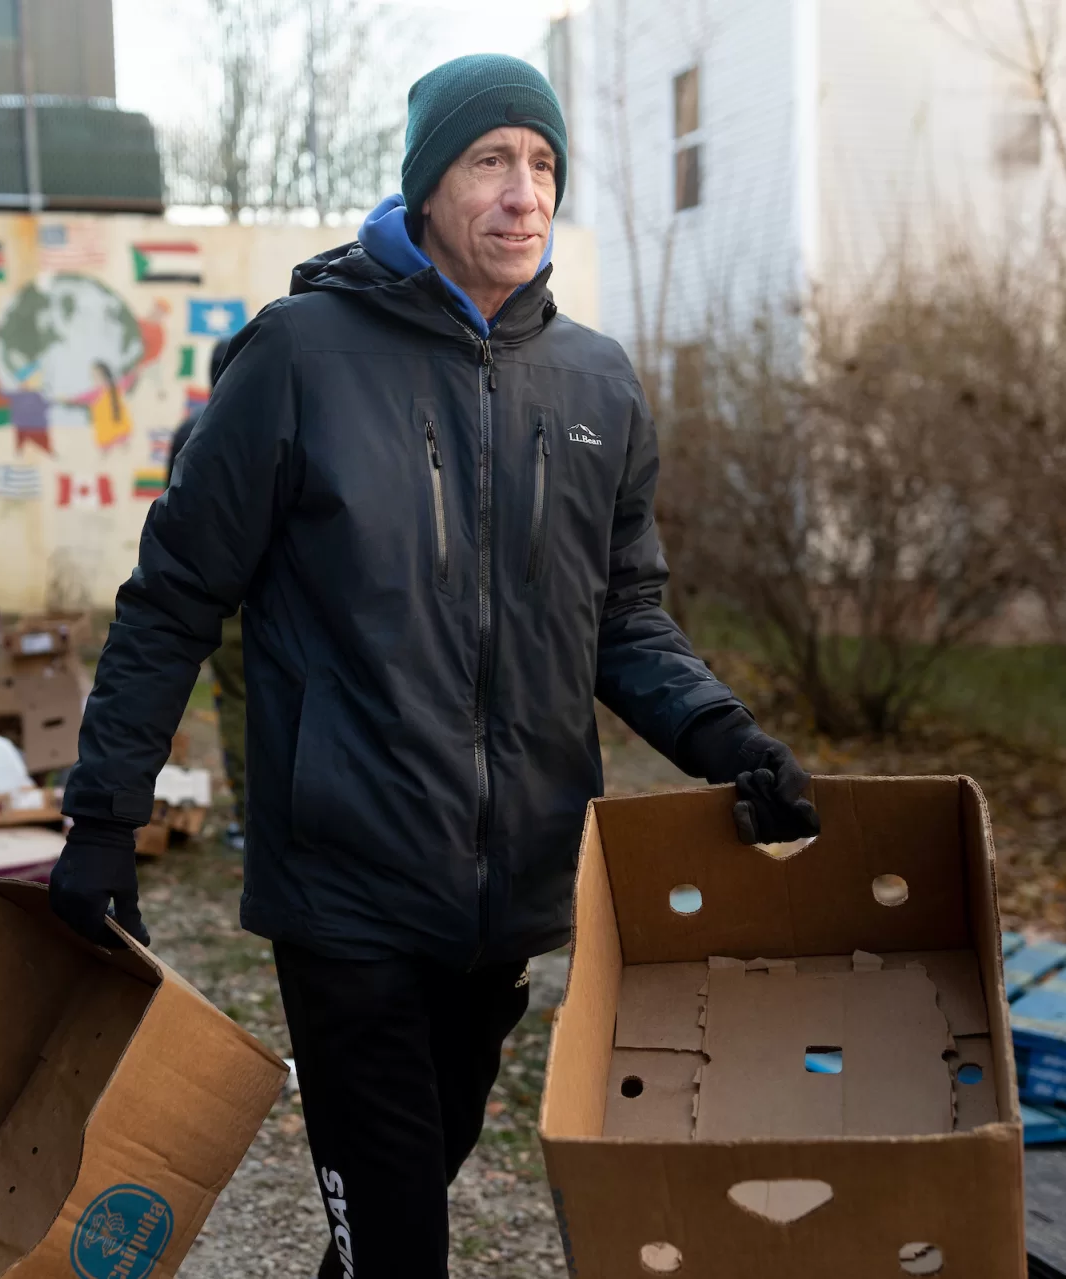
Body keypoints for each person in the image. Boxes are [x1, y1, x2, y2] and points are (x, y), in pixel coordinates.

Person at [51, 53, 818, 1278]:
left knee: (407, 1192)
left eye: (544, 167)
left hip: (509, 895)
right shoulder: (299, 357)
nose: (524, 195)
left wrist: (726, 738)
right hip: (346, 884)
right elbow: (170, 603)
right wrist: (103, 819)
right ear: (423, 186)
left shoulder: (597, 383)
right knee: (402, 1235)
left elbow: (623, 617)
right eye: (491, 161)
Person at [166, 338, 245, 844]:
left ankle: (248, 816)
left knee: (237, 704)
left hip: (219, 590)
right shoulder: (276, 421)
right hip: (277, 594)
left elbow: (172, 514)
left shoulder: (189, 430)